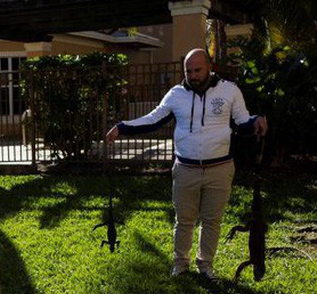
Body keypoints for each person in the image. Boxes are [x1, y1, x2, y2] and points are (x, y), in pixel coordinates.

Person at [106, 48, 268, 280]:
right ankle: (181, 264)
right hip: (185, 168)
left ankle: (206, 265)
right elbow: (153, 120)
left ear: (210, 67)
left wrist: (256, 122)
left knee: (212, 220)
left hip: (220, 168)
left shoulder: (230, 90)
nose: (193, 75)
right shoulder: (176, 94)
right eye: (189, 71)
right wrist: (122, 127)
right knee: (184, 220)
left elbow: (242, 121)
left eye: (197, 70)